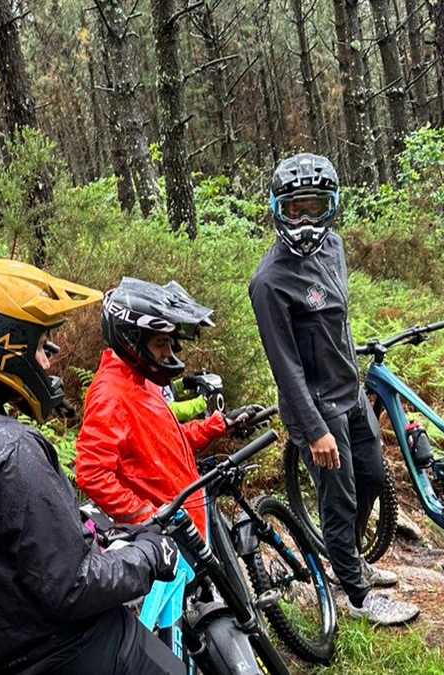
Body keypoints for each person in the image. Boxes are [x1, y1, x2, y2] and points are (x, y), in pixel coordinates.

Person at [0, 258, 184, 675]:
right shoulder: (11, 450)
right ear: (5, 343)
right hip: (85, 652)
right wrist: (151, 553)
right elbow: (76, 586)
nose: (46, 364)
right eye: (42, 347)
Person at [248, 152, 418, 625]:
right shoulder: (269, 281)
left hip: (351, 394)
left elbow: (337, 327)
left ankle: (350, 560)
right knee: (337, 499)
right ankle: (356, 595)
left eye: (314, 206)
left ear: (332, 205)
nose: (304, 218)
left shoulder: (334, 248)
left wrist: (360, 388)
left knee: (371, 479)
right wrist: (314, 428)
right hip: (318, 410)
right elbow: (284, 366)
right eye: (294, 207)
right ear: (279, 209)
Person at [75, 277, 262, 538]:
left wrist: (219, 425)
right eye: (160, 343)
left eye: (169, 344)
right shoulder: (111, 394)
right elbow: (92, 473)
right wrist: (148, 517)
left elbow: (166, 443)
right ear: (132, 340)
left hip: (189, 523)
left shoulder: (142, 383)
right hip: (172, 540)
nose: (168, 353)